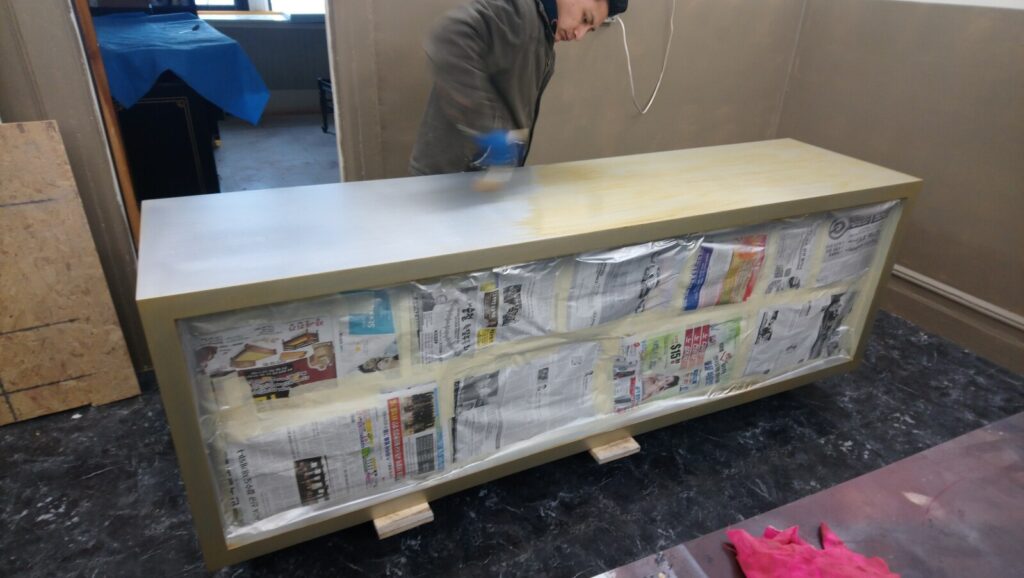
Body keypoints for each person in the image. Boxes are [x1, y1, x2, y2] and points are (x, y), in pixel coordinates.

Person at [410, 0, 629, 176]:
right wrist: (487, 129)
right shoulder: (517, 11)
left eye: (589, 30)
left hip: (477, 187)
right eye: (584, 18)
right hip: (444, 183)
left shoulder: (545, 41)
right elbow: (450, 37)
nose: (579, 35)